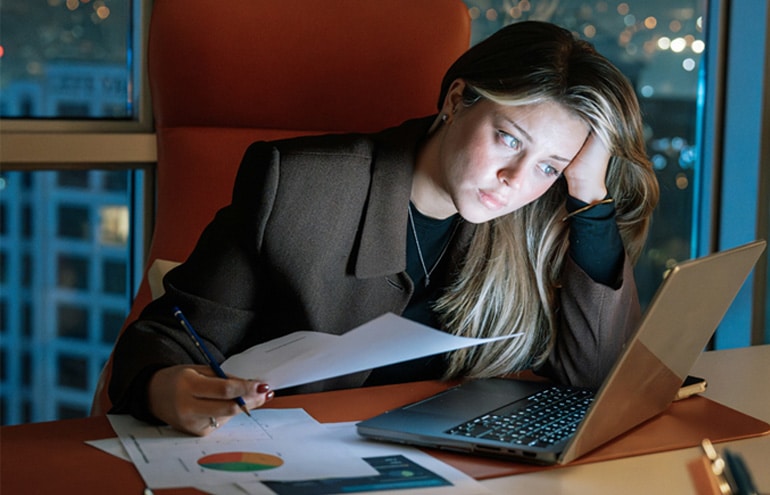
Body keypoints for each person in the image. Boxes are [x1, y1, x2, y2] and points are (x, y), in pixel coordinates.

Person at [109, 20, 659, 436]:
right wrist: (164, 387)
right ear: (455, 99)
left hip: (449, 461)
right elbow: (170, 337)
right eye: (509, 138)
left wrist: (590, 194)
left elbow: (597, 377)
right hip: (285, 450)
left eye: (549, 164)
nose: (515, 179)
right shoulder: (299, 186)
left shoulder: (534, 213)